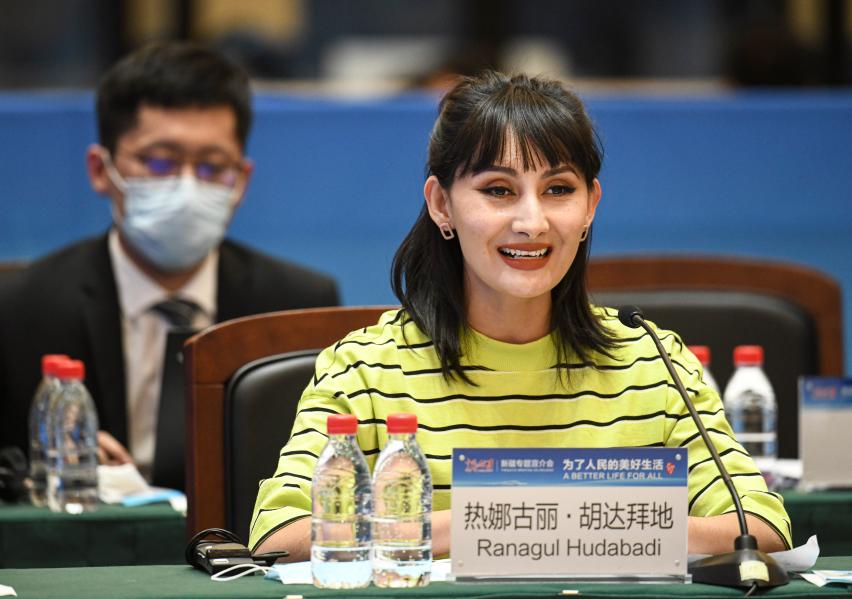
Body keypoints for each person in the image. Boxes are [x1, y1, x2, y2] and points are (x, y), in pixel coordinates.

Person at [249, 72, 791, 560]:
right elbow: (280, 534)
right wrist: (501, 524)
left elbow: (762, 527)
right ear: (441, 205)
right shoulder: (365, 369)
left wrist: (549, 524)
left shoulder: (655, 363)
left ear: (590, 206)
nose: (532, 222)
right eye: (498, 190)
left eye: (558, 190)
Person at [0, 41, 339, 479]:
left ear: (241, 180)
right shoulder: (19, 308)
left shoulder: (299, 307)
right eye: (160, 163)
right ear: (101, 170)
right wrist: (42, 466)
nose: (186, 187)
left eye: (212, 167)